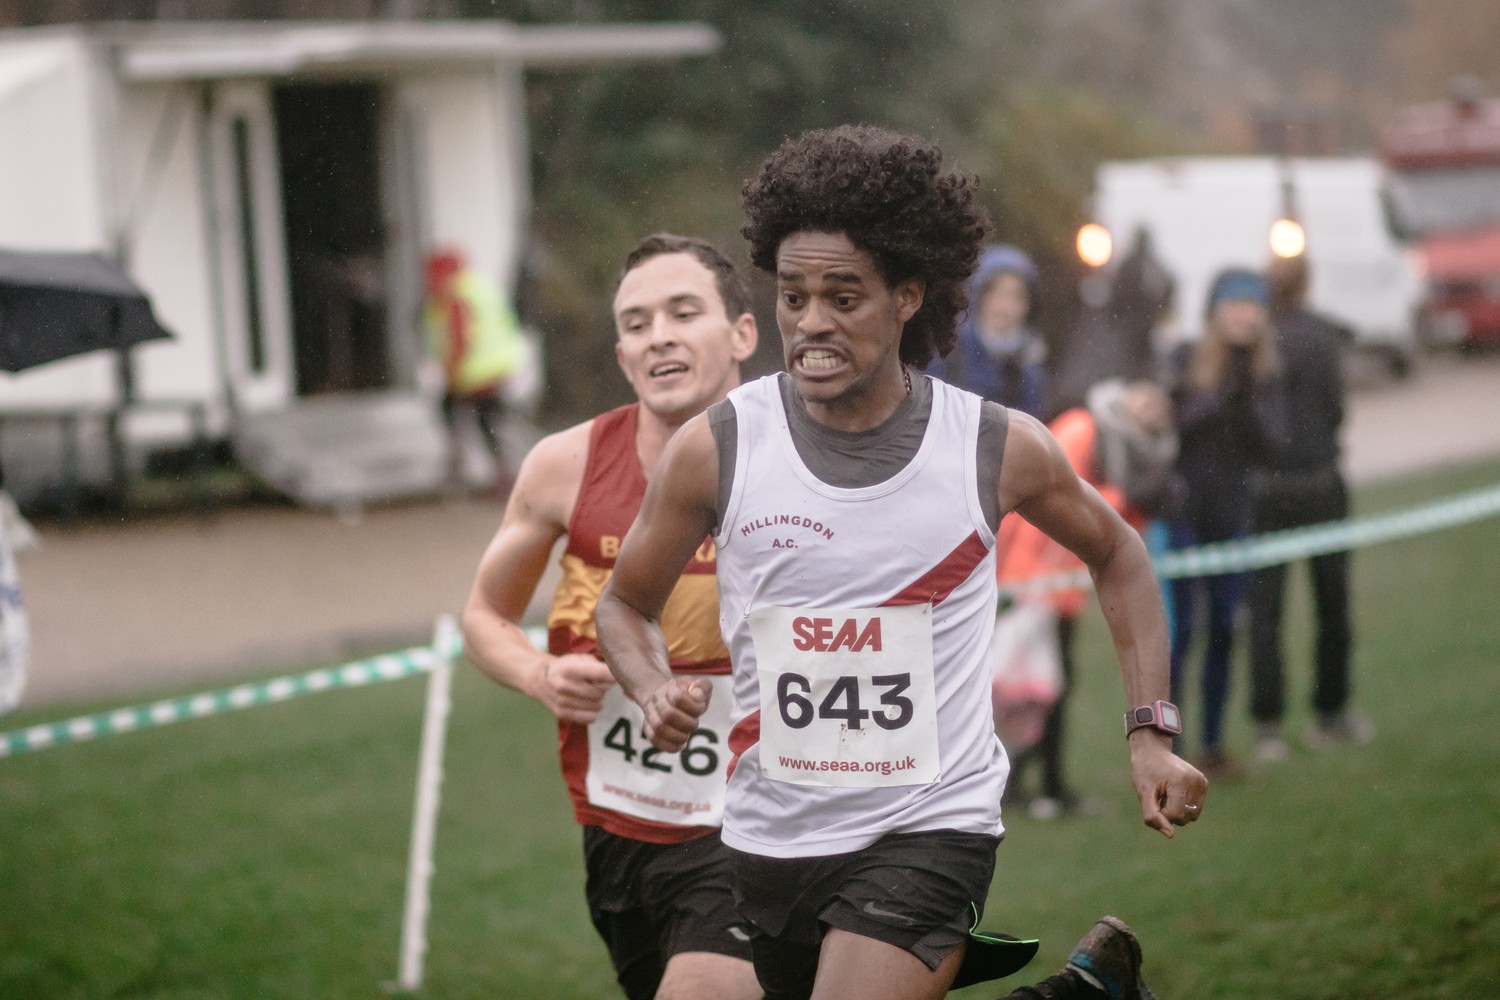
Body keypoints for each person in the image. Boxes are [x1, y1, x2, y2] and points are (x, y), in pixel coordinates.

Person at [595, 124, 1206, 1000]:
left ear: (909, 295)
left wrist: (1151, 733)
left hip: (931, 825)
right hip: (772, 834)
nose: (811, 323)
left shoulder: (994, 448)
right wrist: (653, 686)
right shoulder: (719, 448)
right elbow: (622, 606)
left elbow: (1118, 555)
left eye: (844, 297)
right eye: (794, 296)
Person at [461, 234, 762, 1000]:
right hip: (618, 827)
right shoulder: (564, 465)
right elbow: (483, 617)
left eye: (683, 312)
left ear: (742, 335)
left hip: (759, 824)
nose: (657, 334)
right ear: (624, 356)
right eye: (636, 323)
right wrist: (538, 673)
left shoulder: (802, 462)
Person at [997, 379, 1183, 819]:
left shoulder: (1136, 450)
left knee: (1048, 685)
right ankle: (1045, 787)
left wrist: (1139, 506)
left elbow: (1113, 530)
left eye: (1162, 405)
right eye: (1147, 394)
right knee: (1045, 688)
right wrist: (1129, 498)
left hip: (1060, 582)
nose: (1151, 408)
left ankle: (1029, 783)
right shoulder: (1083, 429)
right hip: (1033, 577)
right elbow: (1061, 501)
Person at [1164, 268, 1287, 779]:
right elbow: (1173, 428)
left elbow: (1273, 448)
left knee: (1222, 630)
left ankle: (1212, 745)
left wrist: (1245, 406)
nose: (1244, 313)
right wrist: (1216, 400)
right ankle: (1170, 748)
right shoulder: (1185, 361)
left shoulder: (1265, 374)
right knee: (1179, 635)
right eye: (1234, 304)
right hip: (1185, 517)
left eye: (1253, 305)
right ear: (1215, 311)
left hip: (1233, 519)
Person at [1247, 255, 1371, 760]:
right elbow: (1337, 409)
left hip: (1268, 489)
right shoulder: (1323, 336)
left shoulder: (1259, 336)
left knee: (1266, 611)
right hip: (1320, 481)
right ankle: (1331, 712)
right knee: (1332, 603)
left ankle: (1269, 725)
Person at [423, 248, 529, 495]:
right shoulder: (480, 287)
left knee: (460, 417)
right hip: (495, 368)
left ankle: (462, 470)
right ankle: (501, 476)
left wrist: (449, 373)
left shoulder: (455, 294)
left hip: (473, 374)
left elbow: (459, 339)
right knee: (489, 423)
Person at [923, 244, 1048, 417]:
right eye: (997, 293)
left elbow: (1030, 430)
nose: (1005, 306)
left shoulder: (1027, 372)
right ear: (979, 297)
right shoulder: (944, 351)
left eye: (1016, 296)